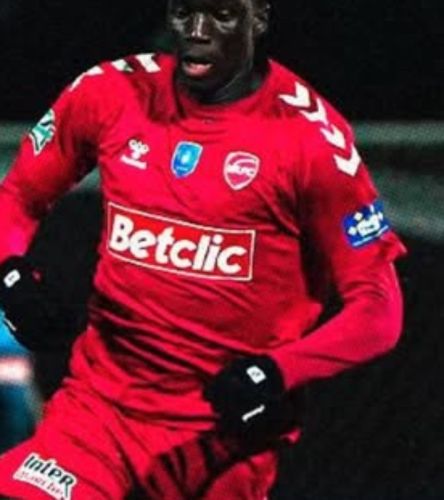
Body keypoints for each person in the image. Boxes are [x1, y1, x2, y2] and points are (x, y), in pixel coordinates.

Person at [0, 0, 406, 498]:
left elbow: (378, 310)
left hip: (220, 437)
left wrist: (276, 371)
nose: (196, 30)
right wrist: (11, 277)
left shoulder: (311, 141)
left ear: (258, 19)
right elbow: (17, 197)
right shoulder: (110, 91)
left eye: (221, 16)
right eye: (185, 13)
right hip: (97, 417)